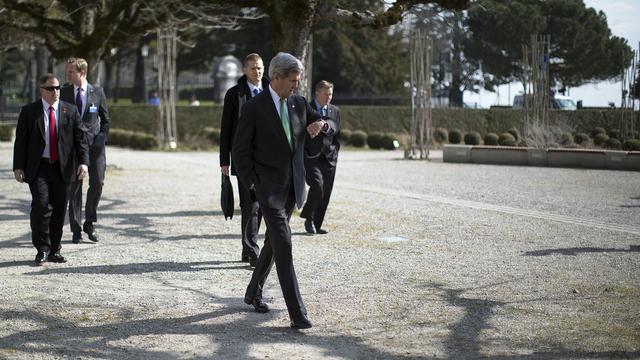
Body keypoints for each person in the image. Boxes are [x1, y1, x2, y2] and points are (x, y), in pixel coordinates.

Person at [232, 52, 337, 329]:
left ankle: (253, 290)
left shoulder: (300, 103)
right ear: (276, 78)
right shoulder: (254, 108)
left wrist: (322, 124)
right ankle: (297, 313)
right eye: (292, 81)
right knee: (285, 243)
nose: (296, 86)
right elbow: (240, 152)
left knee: (273, 243)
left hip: (293, 188)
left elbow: (330, 124)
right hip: (267, 190)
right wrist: (253, 184)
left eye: (298, 81)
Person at [13, 74, 89, 265]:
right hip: (39, 167)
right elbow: (21, 141)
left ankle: (55, 250)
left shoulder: (69, 110)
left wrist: (83, 163)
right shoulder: (30, 112)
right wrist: (18, 166)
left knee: (59, 209)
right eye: (51, 89)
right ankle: (42, 249)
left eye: (57, 88)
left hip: (63, 169)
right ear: (41, 90)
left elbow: (80, 139)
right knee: (41, 205)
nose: (55, 92)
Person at [219, 53, 270, 267]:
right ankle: (251, 250)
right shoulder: (234, 94)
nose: (257, 72)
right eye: (252, 68)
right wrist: (224, 161)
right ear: (244, 70)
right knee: (250, 204)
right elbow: (226, 129)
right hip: (243, 158)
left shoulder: (272, 91)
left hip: (267, 158)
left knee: (263, 203)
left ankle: (249, 249)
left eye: (259, 68)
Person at [62, 57, 110, 243]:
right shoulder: (64, 92)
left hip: (95, 148)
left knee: (97, 183)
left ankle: (89, 222)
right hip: (73, 148)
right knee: (74, 187)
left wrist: (102, 138)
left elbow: (105, 120)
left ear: (82, 72)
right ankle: (76, 229)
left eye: (71, 71)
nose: (68, 74)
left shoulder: (97, 92)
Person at [300, 80, 341, 235]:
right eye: (326, 94)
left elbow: (337, 134)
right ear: (317, 93)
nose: (329, 97)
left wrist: (335, 152)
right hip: (311, 157)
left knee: (326, 192)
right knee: (317, 186)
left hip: (330, 157)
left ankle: (317, 224)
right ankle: (308, 219)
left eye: (330, 94)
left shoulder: (335, 111)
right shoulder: (306, 108)